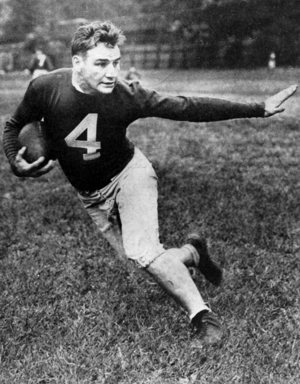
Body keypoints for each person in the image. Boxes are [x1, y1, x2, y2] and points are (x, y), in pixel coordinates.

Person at [2, 21, 297, 346]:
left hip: (130, 175)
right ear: (77, 62)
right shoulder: (45, 88)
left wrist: (257, 108)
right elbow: (14, 124)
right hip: (91, 196)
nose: (112, 72)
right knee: (144, 260)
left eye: (116, 62)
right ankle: (191, 253)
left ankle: (202, 316)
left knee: (142, 251)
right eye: (101, 63)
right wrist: (16, 159)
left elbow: (187, 106)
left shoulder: (125, 96)